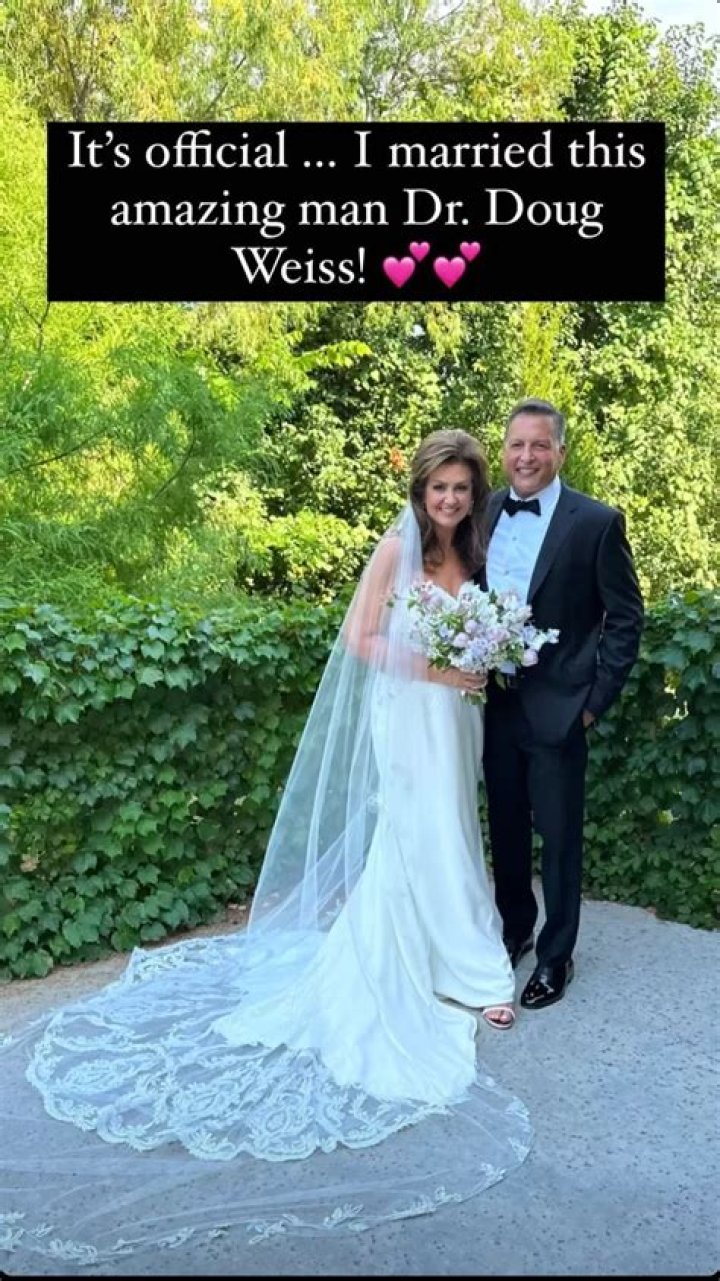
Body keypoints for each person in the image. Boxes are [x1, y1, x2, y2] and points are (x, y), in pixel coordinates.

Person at [0, 430, 531, 1269]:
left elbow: (482, 631)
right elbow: (362, 639)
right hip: (409, 714)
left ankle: (458, 958)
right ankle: (448, 967)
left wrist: (481, 657)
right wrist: (439, 670)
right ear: (421, 488)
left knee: (456, 831)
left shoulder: (477, 551)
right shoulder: (394, 547)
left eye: (463, 489)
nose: (451, 500)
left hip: (455, 720)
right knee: (415, 833)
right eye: (441, 488)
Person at [481, 398, 644, 1010]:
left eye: (539, 445)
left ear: (560, 452)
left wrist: (593, 703)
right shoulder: (483, 510)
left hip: (562, 708)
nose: (526, 456)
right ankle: (515, 930)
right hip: (492, 704)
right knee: (505, 828)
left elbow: (625, 618)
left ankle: (556, 957)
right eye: (516, 445)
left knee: (559, 837)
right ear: (504, 451)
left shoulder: (595, 523)